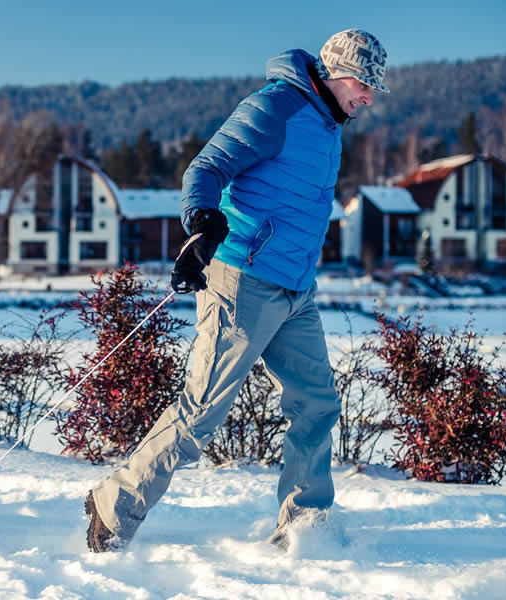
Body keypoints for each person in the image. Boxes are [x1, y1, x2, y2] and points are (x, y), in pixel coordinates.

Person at [85, 29, 389, 552]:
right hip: (243, 280)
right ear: (336, 71)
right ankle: (116, 504)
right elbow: (207, 166)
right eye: (364, 83)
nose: (368, 95)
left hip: (296, 288)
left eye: (373, 87)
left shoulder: (327, 123)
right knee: (200, 411)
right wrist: (202, 221)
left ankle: (305, 523)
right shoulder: (276, 107)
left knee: (316, 403)